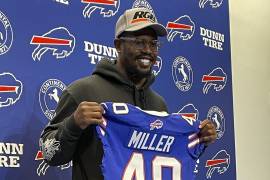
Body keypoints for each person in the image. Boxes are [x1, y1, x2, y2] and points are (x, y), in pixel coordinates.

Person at [39, 7, 217, 180]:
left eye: (153, 44)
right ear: (118, 45)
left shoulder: (158, 103)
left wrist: (198, 138)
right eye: (139, 42)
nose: (148, 50)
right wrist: (73, 124)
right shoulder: (83, 91)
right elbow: (50, 154)